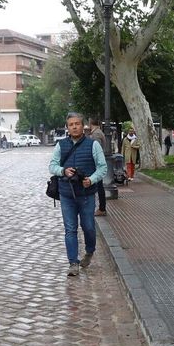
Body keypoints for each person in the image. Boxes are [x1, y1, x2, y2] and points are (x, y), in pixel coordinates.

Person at [49, 113, 107, 277]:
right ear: (67, 128)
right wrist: (63, 171)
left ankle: (89, 251)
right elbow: (52, 166)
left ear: (83, 126)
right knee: (70, 229)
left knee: (88, 227)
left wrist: (92, 179)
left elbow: (102, 168)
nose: (74, 127)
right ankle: (73, 263)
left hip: (87, 194)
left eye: (77, 124)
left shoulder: (93, 145)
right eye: (71, 124)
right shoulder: (61, 145)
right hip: (67, 194)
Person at [88, 117, 111, 215]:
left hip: (96, 164)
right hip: (96, 164)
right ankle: (100, 208)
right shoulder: (97, 132)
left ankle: (102, 208)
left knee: (99, 186)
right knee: (98, 186)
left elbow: (96, 149)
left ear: (90, 123)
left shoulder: (96, 134)